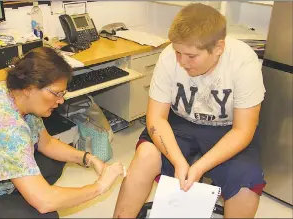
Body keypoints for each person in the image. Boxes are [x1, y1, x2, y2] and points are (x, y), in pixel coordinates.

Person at [113, 3, 266, 218]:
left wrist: (199, 167)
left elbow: (243, 130)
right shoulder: (169, 57)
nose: (182, 62)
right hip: (180, 123)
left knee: (246, 183)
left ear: (219, 48)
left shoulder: (244, 61)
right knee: (145, 157)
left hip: (227, 129)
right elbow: (156, 118)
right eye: (178, 52)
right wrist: (178, 161)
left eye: (192, 56)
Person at [0, 47, 124, 218]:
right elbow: (45, 202)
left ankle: (26, 192)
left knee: (54, 161)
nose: (61, 100)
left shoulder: (16, 95)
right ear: (29, 88)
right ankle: (20, 199)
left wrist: (89, 158)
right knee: (47, 214)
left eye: (62, 93)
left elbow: (46, 143)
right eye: (56, 93)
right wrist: (100, 186)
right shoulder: (5, 125)